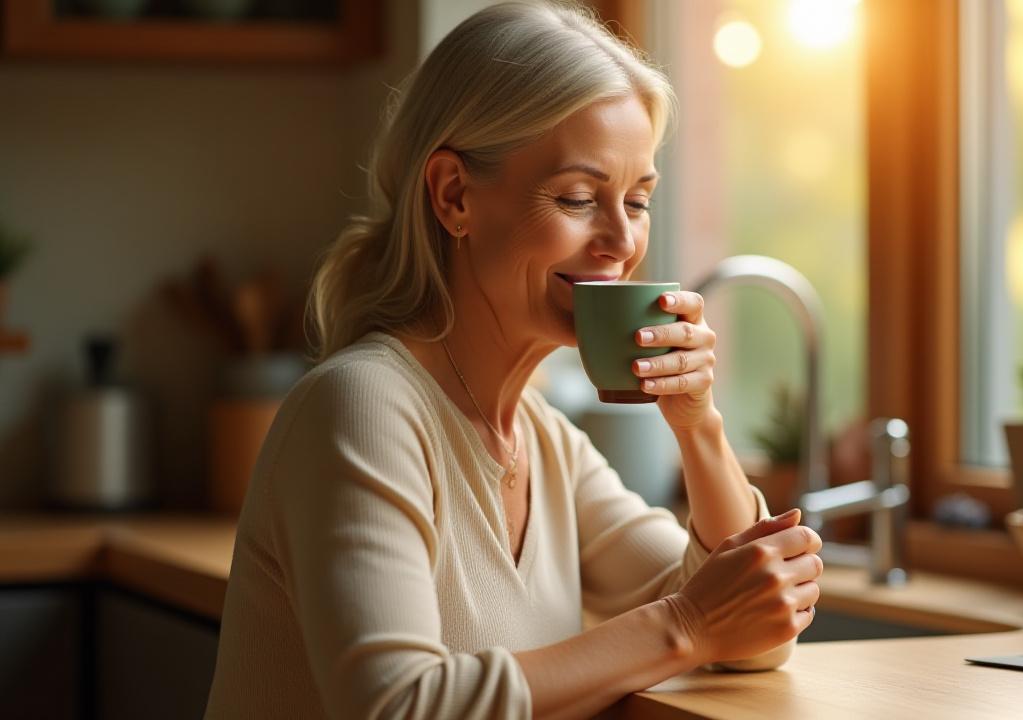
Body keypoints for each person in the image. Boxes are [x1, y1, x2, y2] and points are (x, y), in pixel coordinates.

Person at [204, 2, 822, 718]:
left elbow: (753, 634)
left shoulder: (544, 439)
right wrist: (686, 626)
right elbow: (398, 705)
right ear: (454, 195)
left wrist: (697, 424)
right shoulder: (361, 406)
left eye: (638, 200)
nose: (622, 240)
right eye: (580, 197)